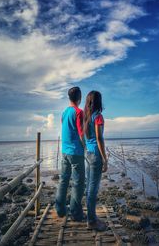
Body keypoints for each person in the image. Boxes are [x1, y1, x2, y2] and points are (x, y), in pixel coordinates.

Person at [55, 86, 85, 221]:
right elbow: (81, 133)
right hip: (76, 152)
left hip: (65, 151)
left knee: (64, 180)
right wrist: (86, 148)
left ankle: (60, 209)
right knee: (78, 183)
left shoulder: (64, 112)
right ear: (80, 98)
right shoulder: (79, 112)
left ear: (69, 98)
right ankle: (75, 213)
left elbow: (65, 128)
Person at [83, 90, 108, 231]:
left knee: (89, 187)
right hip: (96, 155)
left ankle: (91, 217)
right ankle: (91, 220)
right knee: (93, 188)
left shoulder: (86, 117)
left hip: (88, 153)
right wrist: (105, 159)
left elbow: (84, 138)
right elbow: (99, 138)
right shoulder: (98, 117)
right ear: (99, 101)